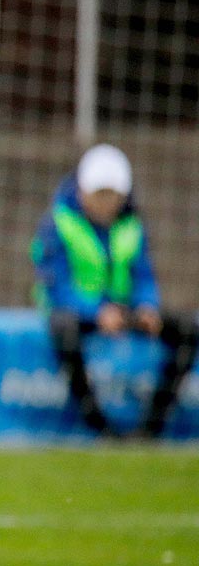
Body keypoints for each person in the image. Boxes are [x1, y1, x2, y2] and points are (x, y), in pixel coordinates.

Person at [32, 143, 195, 438]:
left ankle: (150, 429)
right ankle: (98, 426)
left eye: (112, 195)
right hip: (81, 312)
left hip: (124, 309)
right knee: (62, 328)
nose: (106, 203)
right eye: (100, 195)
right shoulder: (59, 222)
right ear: (83, 190)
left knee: (187, 330)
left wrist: (147, 306)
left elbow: (143, 272)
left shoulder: (132, 224)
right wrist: (96, 311)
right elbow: (55, 284)